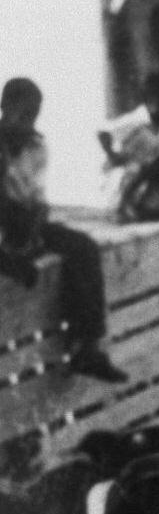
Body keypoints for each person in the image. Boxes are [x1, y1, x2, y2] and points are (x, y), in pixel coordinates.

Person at [0, 79, 124, 383]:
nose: (28, 121)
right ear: (4, 107)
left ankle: (87, 346)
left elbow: (35, 197)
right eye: (22, 113)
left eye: (33, 114)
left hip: (26, 225)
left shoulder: (35, 146)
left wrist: (36, 217)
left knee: (83, 248)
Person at [99, 71, 159, 224]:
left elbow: (156, 166)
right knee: (153, 164)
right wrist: (114, 156)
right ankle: (122, 206)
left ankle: (143, 207)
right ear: (156, 102)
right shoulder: (137, 120)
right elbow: (103, 133)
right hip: (122, 178)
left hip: (140, 180)